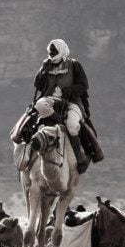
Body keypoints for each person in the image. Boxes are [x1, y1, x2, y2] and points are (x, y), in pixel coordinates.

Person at [33, 38, 91, 174]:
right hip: (50, 100)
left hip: (72, 102)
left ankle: (80, 156)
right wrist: (42, 70)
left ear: (61, 51)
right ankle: (58, 120)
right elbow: (38, 86)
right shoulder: (47, 66)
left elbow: (83, 85)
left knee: (72, 125)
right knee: (39, 105)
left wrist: (68, 92)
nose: (52, 55)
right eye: (50, 52)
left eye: (54, 52)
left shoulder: (74, 65)